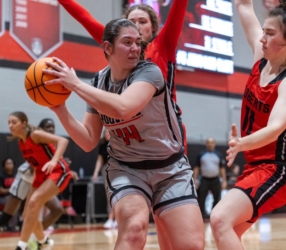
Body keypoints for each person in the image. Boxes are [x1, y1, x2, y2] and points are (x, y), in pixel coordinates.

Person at [44, 18, 204, 250]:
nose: (135, 49)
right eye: (127, 42)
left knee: (190, 246)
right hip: (127, 170)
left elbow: (124, 107)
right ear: (107, 48)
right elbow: (88, 140)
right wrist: (61, 110)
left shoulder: (149, 72)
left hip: (170, 170)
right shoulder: (99, 82)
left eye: (138, 43)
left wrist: (75, 85)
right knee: (133, 230)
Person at [210, 0, 286, 249]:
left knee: (220, 219)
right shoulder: (260, 59)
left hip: (279, 170)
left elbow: (275, 129)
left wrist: (242, 142)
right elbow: (243, 6)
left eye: (270, 33)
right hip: (255, 167)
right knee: (228, 229)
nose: (262, 38)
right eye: (263, 31)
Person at [57, 0, 189, 154]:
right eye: (131, 22)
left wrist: (75, 84)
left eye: (142, 21)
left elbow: (179, 6)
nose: (137, 25)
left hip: (164, 130)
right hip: (129, 126)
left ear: (153, 27)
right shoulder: (117, 46)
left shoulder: (163, 45)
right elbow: (85, 18)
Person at [0, 118, 74, 250]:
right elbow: (36, 167)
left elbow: (54, 164)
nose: (51, 131)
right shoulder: (33, 140)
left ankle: (37, 240)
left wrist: (59, 163)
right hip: (25, 178)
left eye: (52, 128)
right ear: (40, 129)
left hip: (40, 179)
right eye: (47, 128)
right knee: (6, 217)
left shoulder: (49, 145)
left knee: (55, 210)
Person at [193, 137, 227, 219]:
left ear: (214, 144)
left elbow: (222, 169)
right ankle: (203, 215)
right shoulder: (201, 155)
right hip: (204, 180)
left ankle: (214, 214)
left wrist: (224, 181)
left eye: (211, 142)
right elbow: (197, 168)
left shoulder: (218, 155)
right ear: (206, 144)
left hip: (215, 180)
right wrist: (194, 180)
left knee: (217, 198)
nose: (210, 144)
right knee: (201, 198)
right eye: (208, 142)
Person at [92, 129, 116, 229]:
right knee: (109, 194)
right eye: (105, 132)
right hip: (106, 169)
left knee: (120, 194)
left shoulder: (118, 145)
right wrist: (95, 173)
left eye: (108, 132)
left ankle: (118, 219)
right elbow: (100, 160)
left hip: (118, 170)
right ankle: (110, 219)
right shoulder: (102, 146)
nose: (106, 134)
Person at [0, 157, 17, 231]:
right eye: (7, 163)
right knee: (13, 202)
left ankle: (21, 223)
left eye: (10, 163)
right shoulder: (1, 176)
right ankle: (10, 226)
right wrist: (12, 190)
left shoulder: (16, 176)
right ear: (4, 165)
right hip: (3, 198)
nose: (9, 165)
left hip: (14, 196)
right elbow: (1, 190)